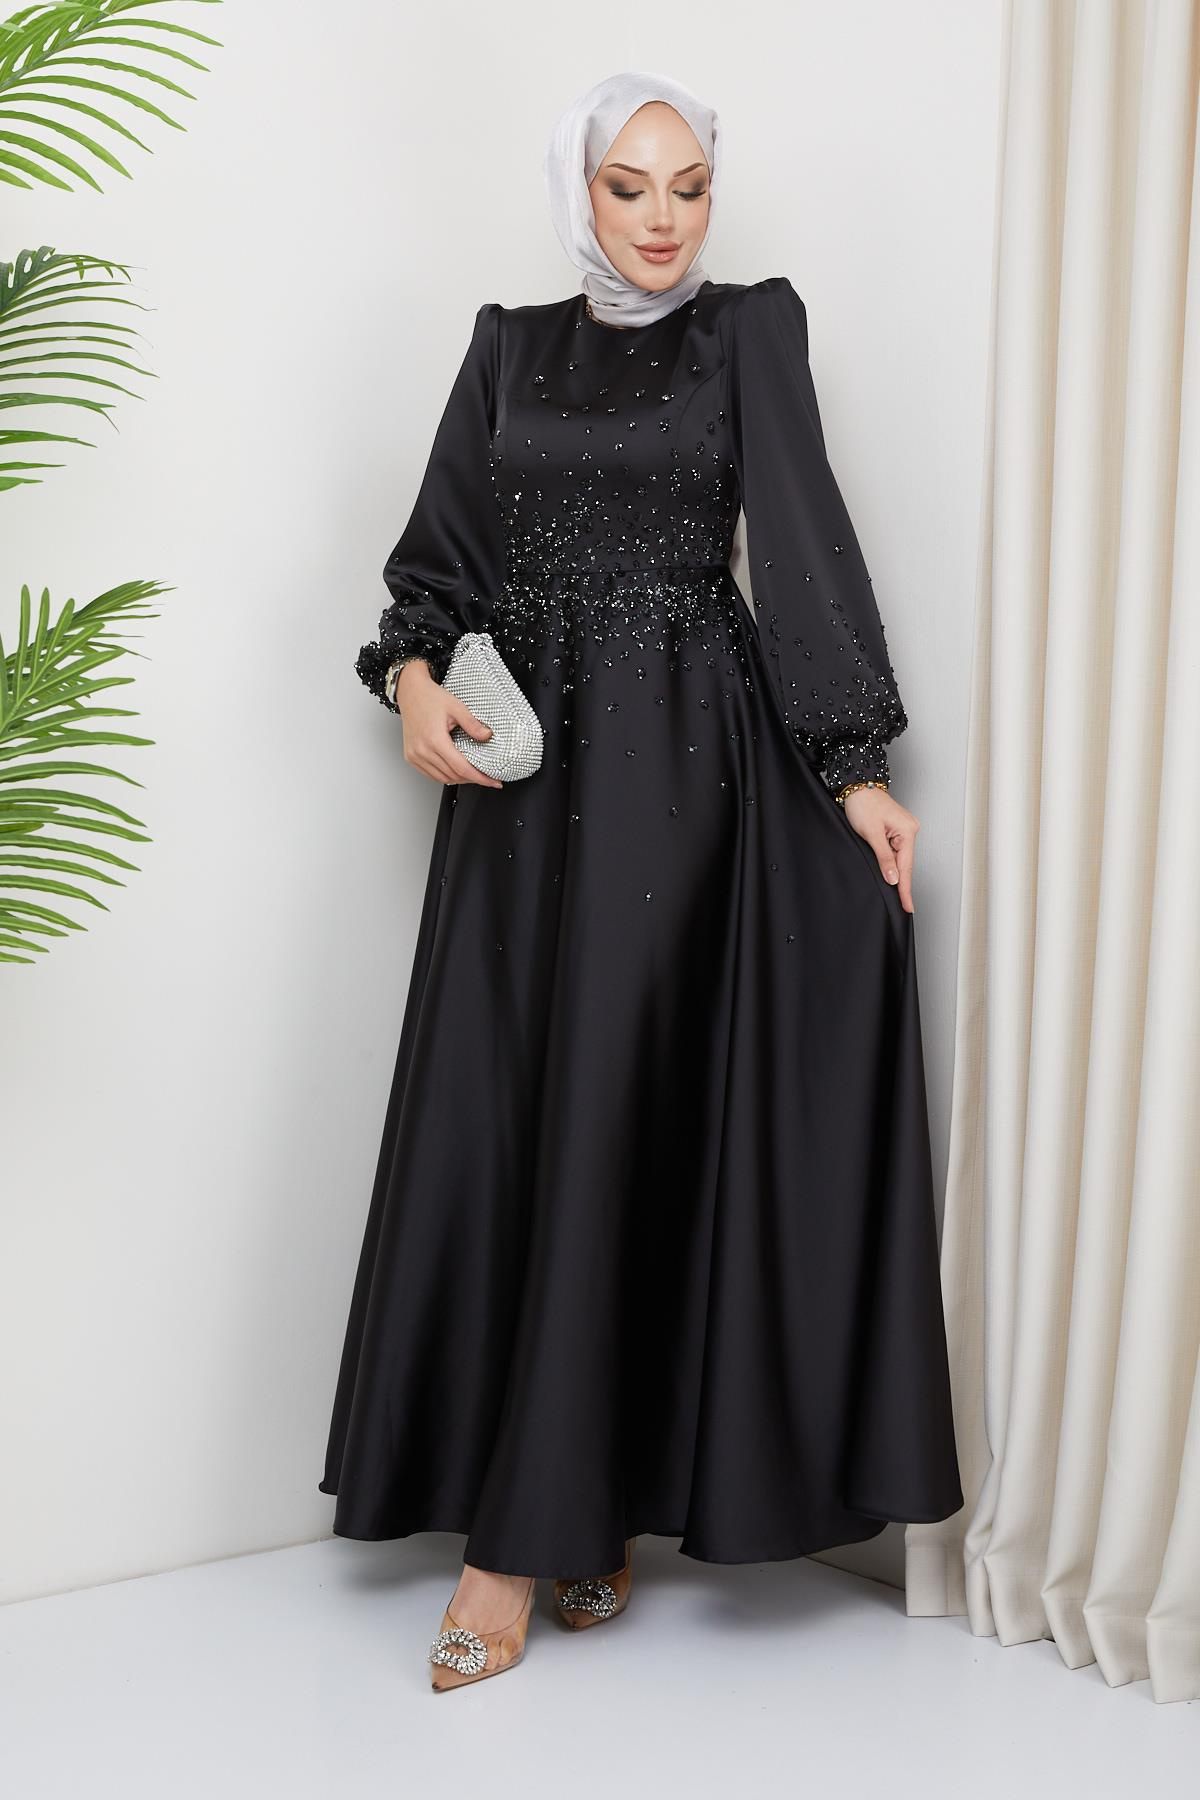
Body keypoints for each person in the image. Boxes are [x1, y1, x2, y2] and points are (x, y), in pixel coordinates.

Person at [319, 69, 963, 1692]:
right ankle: (577, 1507)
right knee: (524, 1119)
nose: (664, 218)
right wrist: (414, 686)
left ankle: (516, 1549)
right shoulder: (504, 345)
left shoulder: (749, 330)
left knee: (621, 1114)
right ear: (579, 191)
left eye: (689, 186)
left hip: (688, 772)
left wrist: (855, 770)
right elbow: (438, 562)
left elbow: (802, 542)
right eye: (629, 186)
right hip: (527, 787)